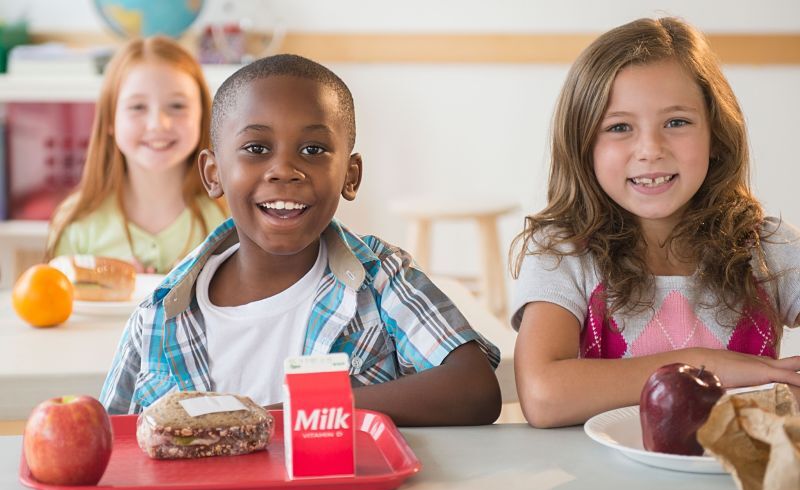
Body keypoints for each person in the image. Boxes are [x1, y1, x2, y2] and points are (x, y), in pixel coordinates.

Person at [100, 54, 502, 426]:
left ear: (351, 175)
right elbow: (112, 445)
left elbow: (474, 389)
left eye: (313, 149)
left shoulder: (380, 280)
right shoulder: (160, 316)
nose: (284, 170)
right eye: (256, 148)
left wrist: (281, 416)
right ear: (213, 173)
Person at [510, 17, 800, 428]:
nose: (650, 149)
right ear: (582, 144)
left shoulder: (768, 248)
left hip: (737, 485)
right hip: (605, 486)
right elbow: (543, 396)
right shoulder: (564, 252)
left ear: (716, 135)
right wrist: (703, 367)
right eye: (619, 127)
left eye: (676, 122)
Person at [46, 36, 227, 274]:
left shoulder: (230, 217)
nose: (157, 124)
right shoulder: (76, 222)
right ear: (110, 119)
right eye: (137, 107)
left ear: (203, 116)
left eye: (177, 106)